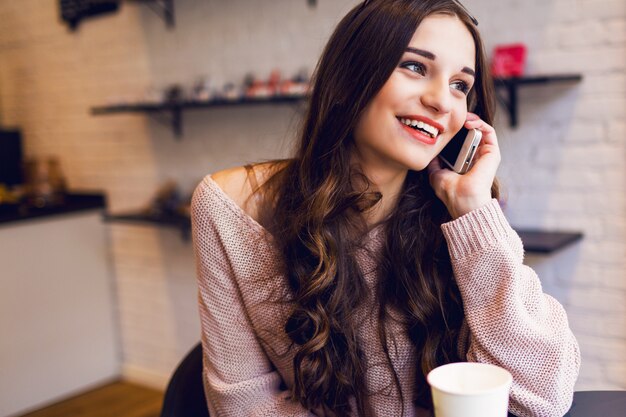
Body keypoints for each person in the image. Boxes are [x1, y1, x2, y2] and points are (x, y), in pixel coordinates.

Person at [190, 0, 580, 416]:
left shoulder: (459, 215)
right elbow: (242, 405)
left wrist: (474, 211)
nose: (442, 102)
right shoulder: (230, 210)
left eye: (460, 86)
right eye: (415, 67)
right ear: (348, 78)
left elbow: (543, 396)